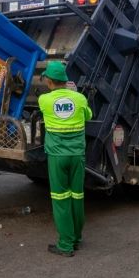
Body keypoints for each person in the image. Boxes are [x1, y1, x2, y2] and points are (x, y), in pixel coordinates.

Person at [38, 60, 92, 257]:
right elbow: (88, 115)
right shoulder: (80, 99)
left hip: (57, 157)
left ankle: (65, 245)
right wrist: (74, 96)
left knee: (60, 199)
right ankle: (76, 238)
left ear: (49, 81)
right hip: (77, 156)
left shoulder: (44, 100)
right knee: (77, 196)